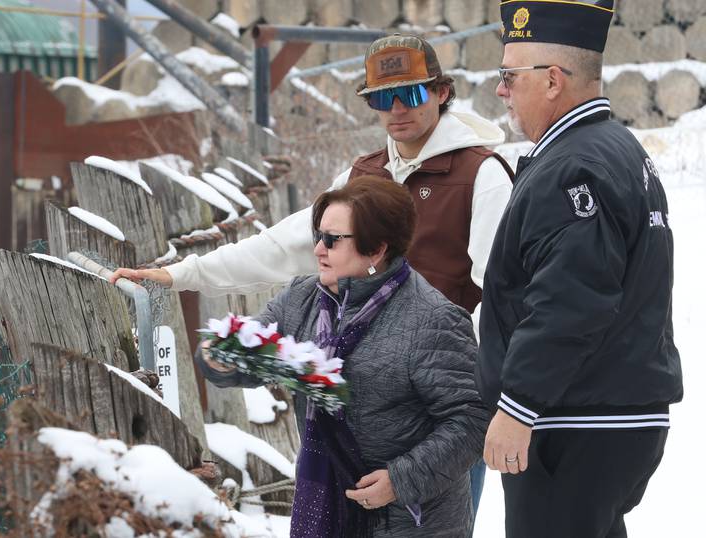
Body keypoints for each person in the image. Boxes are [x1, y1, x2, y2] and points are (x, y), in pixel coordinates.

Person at [111, 34, 513, 518]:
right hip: (353, 403)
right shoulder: (366, 174)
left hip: (438, 402)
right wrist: (181, 274)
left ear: (442, 92)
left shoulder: (482, 174)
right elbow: (286, 245)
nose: (396, 108)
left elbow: (504, 295)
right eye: (382, 98)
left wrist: (495, 390)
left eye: (411, 93)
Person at [475, 2, 684, 537]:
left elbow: (570, 301)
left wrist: (517, 407)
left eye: (508, 75)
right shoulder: (612, 147)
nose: (500, 90)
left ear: (551, 81)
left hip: (576, 419)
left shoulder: (574, 165)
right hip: (603, 414)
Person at [199, 176, 489, 537]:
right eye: (317, 236)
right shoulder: (301, 299)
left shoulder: (432, 320)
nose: (318, 249)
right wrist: (221, 355)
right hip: (325, 504)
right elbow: (254, 350)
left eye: (332, 240)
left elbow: (473, 419)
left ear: (377, 249)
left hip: (409, 521)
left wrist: (401, 480)